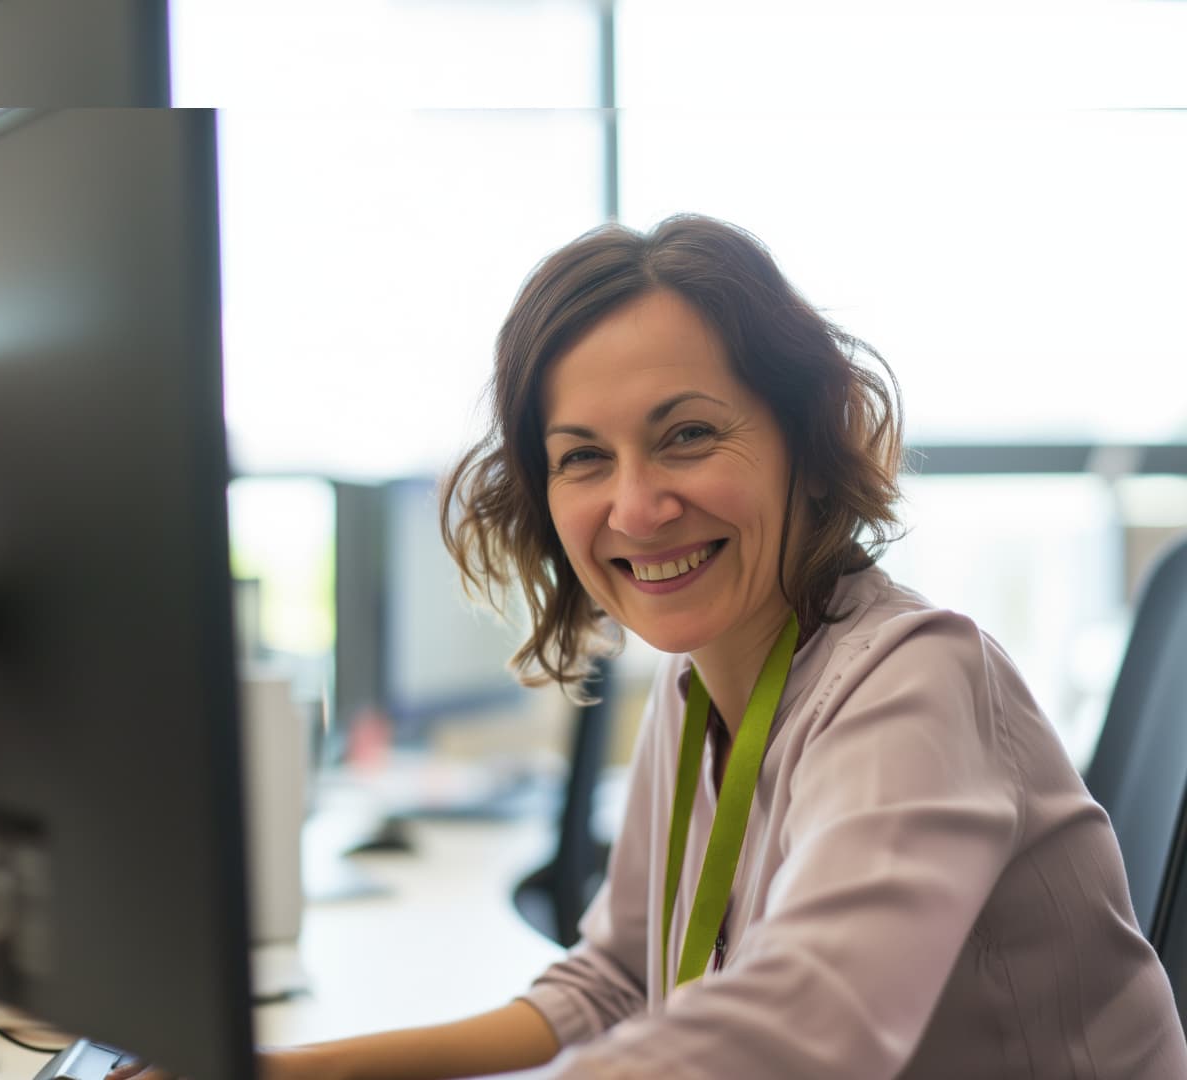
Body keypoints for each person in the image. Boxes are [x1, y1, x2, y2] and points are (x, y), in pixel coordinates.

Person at [119, 215, 1187, 1079]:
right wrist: (297, 1070)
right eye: (584, 458)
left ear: (808, 440)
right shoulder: (697, 687)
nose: (636, 507)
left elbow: (808, 1031)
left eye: (686, 435)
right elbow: (615, 980)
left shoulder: (915, 682)